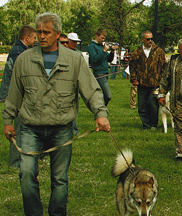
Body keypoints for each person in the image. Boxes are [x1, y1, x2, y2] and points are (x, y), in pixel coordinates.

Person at [2, 12, 110, 216]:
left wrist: (100, 113)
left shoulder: (74, 59)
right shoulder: (24, 59)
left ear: (58, 33)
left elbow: (91, 89)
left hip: (61, 129)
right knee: (26, 174)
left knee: (60, 179)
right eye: (39, 32)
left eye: (46, 32)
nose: (42, 36)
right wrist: (8, 121)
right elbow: (14, 93)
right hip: (30, 128)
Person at [0, 25, 36, 168]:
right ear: (27, 38)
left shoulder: (19, 50)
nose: (35, 40)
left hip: (17, 95)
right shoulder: (19, 53)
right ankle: (15, 162)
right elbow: (19, 78)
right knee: (18, 128)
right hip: (16, 97)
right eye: (34, 37)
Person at [129, 31, 167, 130]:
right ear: (142, 40)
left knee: (152, 103)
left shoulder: (159, 51)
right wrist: (133, 79)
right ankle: (146, 125)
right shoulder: (137, 52)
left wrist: (163, 82)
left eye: (151, 39)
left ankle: (153, 124)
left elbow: (164, 67)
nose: (150, 41)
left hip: (155, 83)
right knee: (142, 106)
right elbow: (132, 66)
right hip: (142, 83)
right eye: (148, 39)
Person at [88, 29, 117, 106]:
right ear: (97, 36)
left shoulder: (101, 47)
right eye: (102, 38)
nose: (103, 40)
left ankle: (100, 112)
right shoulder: (92, 46)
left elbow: (109, 59)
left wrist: (112, 52)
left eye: (104, 38)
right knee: (108, 96)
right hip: (99, 73)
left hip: (105, 73)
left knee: (102, 95)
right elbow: (94, 59)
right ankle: (101, 110)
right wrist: (104, 51)